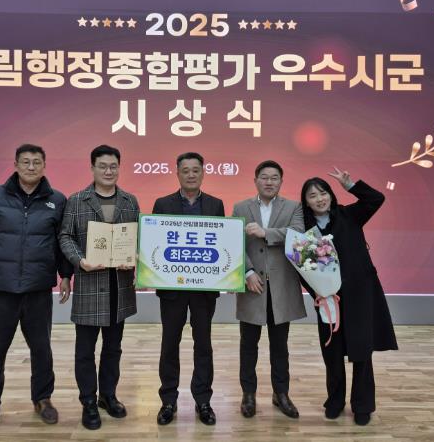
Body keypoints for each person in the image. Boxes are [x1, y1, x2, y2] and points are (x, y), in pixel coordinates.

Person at [0, 144, 72, 436]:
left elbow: (63, 241)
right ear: (15, 164)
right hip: (0, 289)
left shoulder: (57, 201)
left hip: (38, 289)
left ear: (44, 165)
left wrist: (65, 275)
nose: (31, 167)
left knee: (42, 349)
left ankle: (43, 399)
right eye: (26, 162)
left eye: (37, 162)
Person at [300, 167, 398, 426]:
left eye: (323, 193)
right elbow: (301, 267)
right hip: (327, 298)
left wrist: (351, 185)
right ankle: (335, 401)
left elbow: (376, 199)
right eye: (312, 195)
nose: (319, 199)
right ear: (306, 202)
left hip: (359, 294)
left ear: (331, 195)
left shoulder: (349, 214)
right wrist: (316, 292)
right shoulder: (304, 229)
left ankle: (362, 405)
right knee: (332, 352)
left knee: (361, 349)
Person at [58, 144, 139, 430]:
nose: (108, 171)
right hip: (90, 284)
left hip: (119, 286)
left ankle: (108, 396)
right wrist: (80, 261)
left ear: (119, 168)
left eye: (113, 166)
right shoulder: (77, 200)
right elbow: (65, 236)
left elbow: (138, 237)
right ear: (92, 168)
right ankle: (88, 402)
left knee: (113, 348)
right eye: (102, 166)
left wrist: (134, 256)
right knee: (85, 350)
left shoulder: (129, 201)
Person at [152, 152, 225, 426]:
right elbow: (155, 243)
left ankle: (203, 400)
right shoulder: (163, 204)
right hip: (172, 289)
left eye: (196, 170)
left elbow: (221, 244)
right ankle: (168, 400)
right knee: (169, 344)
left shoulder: (216, 204)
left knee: (203, 344)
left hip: (204, 290)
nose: (191, 175)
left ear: (203, 173)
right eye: (186, 170)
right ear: (177, 173)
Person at [232, 160, 306, 419]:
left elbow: (297, 234)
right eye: (264, 177)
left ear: (281, 182)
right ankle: (248, 395)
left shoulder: (294, 207)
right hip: (252, 285)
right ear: (255, 180)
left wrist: (265, 232)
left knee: (280, 346)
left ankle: (281, 394)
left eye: (274, 178)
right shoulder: (241, 207)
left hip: (281, 286)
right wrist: (248, 272)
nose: (269, 182)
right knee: (248, 345)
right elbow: (234, 242)